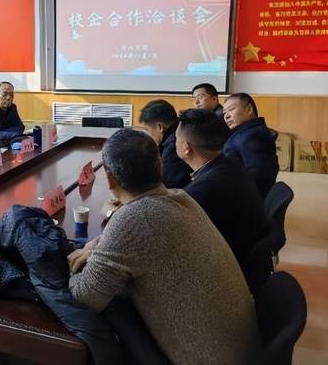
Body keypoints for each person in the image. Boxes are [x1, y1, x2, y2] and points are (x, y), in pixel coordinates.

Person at [67, 129, 261, 365]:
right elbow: (142, 241)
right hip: (241, 351)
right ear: (159, 166)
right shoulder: (180, 197)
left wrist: (74, 265)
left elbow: (85, 298)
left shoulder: (133, 220)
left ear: (109, 178)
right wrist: (99, 247)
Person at [176, 109, 267, 278]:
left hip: (224, 274)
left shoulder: (206, 188)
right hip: (241, 259)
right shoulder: (228, 165)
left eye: (176, 138)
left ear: (186, 147)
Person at [223, 93, 279, 198]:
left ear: (249, 109)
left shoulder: (253, 136)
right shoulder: (245, 132)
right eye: (224, 112)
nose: (226, 116)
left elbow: (259, 177)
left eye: (231, 109)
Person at [138, 99, 192, 188]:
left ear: (160, 127)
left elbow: (165, 185)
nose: (147, 135)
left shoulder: (173, 147)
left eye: (147, 130)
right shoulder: (182, 130)